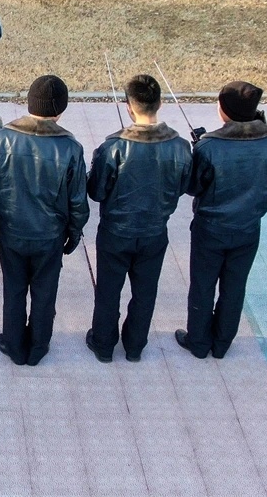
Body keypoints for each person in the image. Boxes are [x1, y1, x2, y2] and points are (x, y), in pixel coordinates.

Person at [0, 75, 89, 366]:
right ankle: (38, 346)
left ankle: (14, 345)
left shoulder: (2, 139)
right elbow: (78, 201)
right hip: (50, 236)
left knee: (14, 291)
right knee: (45, 294)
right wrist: (74, 233)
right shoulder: (70, 147)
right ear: (60, 110)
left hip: (12, 231)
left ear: (29, 103)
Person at [174, 81, 267, 359]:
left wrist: (198, 149)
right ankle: (222, 342)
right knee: (234, 288)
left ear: (225, 109)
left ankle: (198, 341)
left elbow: (193, 187)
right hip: (248, 228)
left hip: (211, 228)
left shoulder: (210, 147)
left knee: (203, 286)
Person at [86, 74, 191, 363]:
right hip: (154, 231)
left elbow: (96, 191)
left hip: (115, 232)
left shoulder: (113, 147)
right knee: (145, 292)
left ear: (129, 107)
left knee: (108, 291)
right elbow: (184, 186)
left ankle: (103, 344)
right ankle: (135, 346)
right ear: (160, 103)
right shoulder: (180, 146)